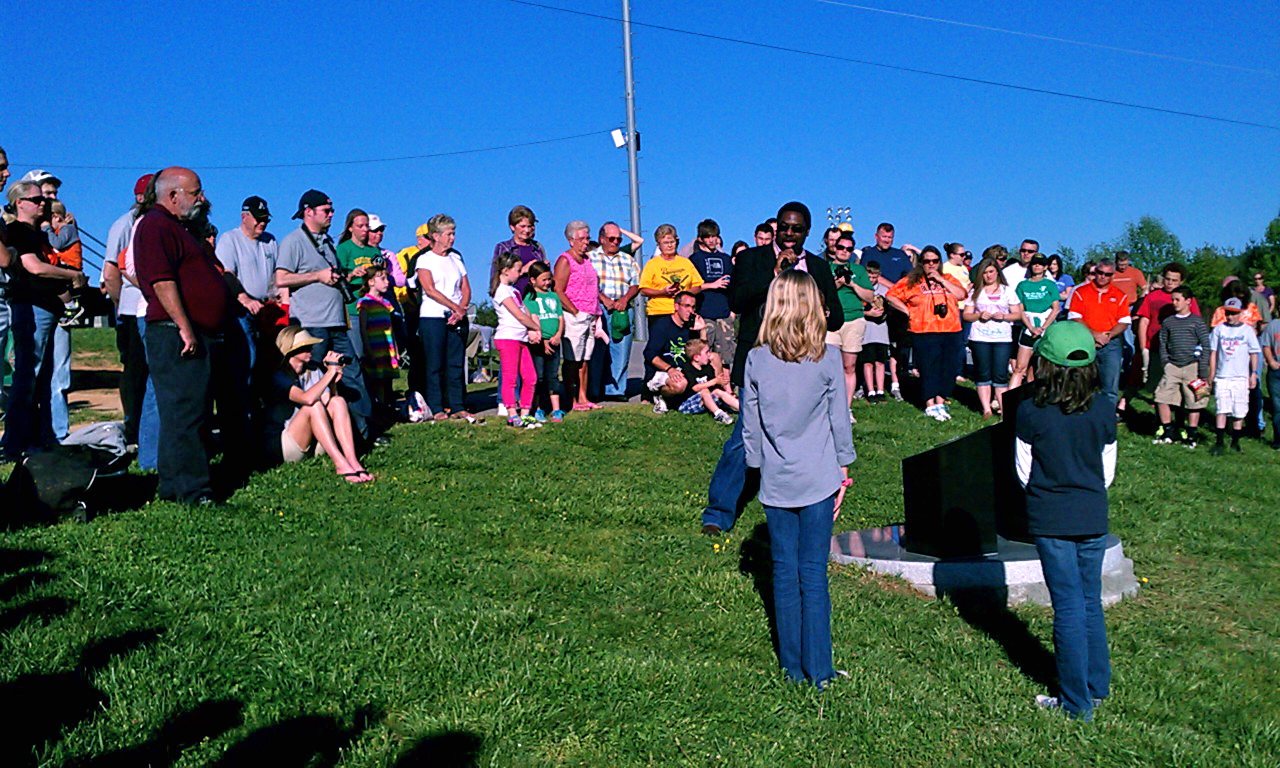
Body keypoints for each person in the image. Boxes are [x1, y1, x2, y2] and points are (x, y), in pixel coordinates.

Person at [742, 269, 855, 689]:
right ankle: (819, 671)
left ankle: (792, 668)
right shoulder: (826, 358)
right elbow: (838, 420)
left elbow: (749, 426)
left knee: (784, 573)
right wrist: (844, 467)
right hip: (819, 477)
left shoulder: (756, 359)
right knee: (813, 573)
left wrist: (757, 465)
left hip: (776, 478)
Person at [702, 201, 842, 535]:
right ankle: (718, 513)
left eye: (796, 229)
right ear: (775, 227)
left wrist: (817, 301)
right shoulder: (753, 259)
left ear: (807, 232)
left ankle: (806, 502)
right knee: (743, 437)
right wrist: (775, 275)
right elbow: (735, 302)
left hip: (806, 365)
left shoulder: (819, 267)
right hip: (761, 360)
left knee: (806, 437)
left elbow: (836, 317)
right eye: (784, 227)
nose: (789, 234)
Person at [1016, 320, 1116, 722]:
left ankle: (1076, 704)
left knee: (1069, 607)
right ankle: (1096, 683)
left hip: (1050, 518)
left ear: (1045, 365)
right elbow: (1107, 470)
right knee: (1090, 601)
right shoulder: (1105, 408)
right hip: (1092, 513)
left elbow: (1024, 471)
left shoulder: (1029, 410)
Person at [132, 167, 243, 503]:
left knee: (185, 413)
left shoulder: (178, 228)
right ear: (172, 195)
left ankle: (173, 486)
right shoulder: (155, 226)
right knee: (186, 415)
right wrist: (184, 326)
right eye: (196, 193)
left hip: (195, 331)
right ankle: (194, 491)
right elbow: (161, 281)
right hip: (174, 332)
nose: (202, 199)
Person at [0, 181, 88, 459]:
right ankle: (15, 442)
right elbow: (33, 267)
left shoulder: (35, 232)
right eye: (36, 199)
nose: (43, 203)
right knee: (29, 374)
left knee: (46, 376)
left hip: (44, 306)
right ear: (19, 203)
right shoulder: (18, 231)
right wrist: (71, 275)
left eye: (44, 200)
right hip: (32, 305)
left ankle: (43, 437)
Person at [275, 189, 373, 436]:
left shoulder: (329, 242)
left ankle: (363, 432)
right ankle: (318, 432)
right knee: (316, 377)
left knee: (352, 373)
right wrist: (317, 276)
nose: (332, 215)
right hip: (311, 323)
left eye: (332, 210)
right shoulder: (293, 241)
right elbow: (281, 278)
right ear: (308, 212)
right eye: (326, 211)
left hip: (337, 322)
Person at [265, 326, 371, 483]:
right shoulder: (279, 376)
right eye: (305, 347)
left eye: (311, 346)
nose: (311, 349)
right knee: (313, 406)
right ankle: (340, 464)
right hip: (285, 444)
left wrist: (333, 383)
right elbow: (307, 399)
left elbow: (330, 404)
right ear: (291, 350)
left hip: (314, 441)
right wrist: (329, 374)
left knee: (338, 401)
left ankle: (352, 460)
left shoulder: (314, 371)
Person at [885, 246, 968, 421]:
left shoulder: (949, 278)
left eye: (934, 261)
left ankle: (941, 401)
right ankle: (930, 403)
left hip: (950, 329)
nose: (931, 265)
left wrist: (941, 280)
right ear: (921, 263)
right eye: (927, 261)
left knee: (947, 368)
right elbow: (891, 295)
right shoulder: (912, 281)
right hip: (924, 329)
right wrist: (907, 310)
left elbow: (961, 295)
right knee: (929, 368)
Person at [414, 213, 477, 422]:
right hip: (433, 317)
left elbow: (465, 287)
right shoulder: (424, 259)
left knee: (456, 363)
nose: (452, 238)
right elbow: (429, 289)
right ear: (436, 235)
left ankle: (458, 404)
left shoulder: (456, 259)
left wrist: (461, 309)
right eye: (449, 234)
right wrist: (453, 307)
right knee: (434, 364)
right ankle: (437, 406)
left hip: (456, 317)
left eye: (453, 233)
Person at [215, 195, 281, 378]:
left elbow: (277, 273)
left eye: (266, 219)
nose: (263, 223)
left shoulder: (271, 241)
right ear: (245, 217)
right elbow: (226, 274)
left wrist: (278, 298)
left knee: (269, 360)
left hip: (267, 309)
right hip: (241, 311)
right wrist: (244, 298)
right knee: (247, 359)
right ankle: (242, 403)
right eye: (259, 219)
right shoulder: (230, 239)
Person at [1067, 258, 1130, 410]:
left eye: (1107, 274)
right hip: (1085, 341)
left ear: (1112, 275)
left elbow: (1124, 321)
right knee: (1082, 382)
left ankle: (1106, 418)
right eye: (1099, 273)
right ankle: (1081, 414)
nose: (1102, 276)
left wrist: (1108, 335)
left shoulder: (1120, 295)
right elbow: (1074, 316)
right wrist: (1094, 334)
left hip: (1111, 343)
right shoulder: (1081, 292)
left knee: (1110, 385)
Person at [962, 256, 1022, 419]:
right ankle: (986, 409)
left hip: (1002, 338)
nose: (988, 276)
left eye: (991, 272)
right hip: (980, 337)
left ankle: (1004, 409)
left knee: (1000, 374)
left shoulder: (1007, 291)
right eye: (985, 273)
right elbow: (966, 315)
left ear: (997, 272)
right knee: (982, 373)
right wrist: (979, 315)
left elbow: (1017, 314)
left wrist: (1003, 316)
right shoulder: (976, 292)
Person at [588, 221, 642, 399]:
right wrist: (603, 299)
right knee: (597, 351)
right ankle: (595, 389)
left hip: (622, 308)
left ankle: (616, 390)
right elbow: (587, 284)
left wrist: (625, 300)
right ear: (602, 239)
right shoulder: (590, 258)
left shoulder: (627, 259)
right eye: (611, 239)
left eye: (618, 239)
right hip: (598, 308)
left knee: (621, 349)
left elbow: (635, 284)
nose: (615, 242)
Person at [825, 230, 875, 418]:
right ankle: (829, 405)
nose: (844, 251)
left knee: (849, 366)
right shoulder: (825, 267)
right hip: (831, 320)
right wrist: (837, 284)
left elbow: (870, 296)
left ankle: (846, 408)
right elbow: (820, 293)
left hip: (854, 319)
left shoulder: (859, 271)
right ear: (834, 247)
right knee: (830, 366)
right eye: (841, 247)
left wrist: (851, 284)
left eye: (848, 249)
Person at [1152, 286, 1210, 447]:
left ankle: (1191, 434)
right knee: (1161, 396)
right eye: (1173, 299)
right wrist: (1166, 362)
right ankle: (1167, 430)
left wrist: (1203, 370)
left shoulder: (1197, 322)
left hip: (1192, 365)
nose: (1174, 303)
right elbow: (1163, 343)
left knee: (1194, 400)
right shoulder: (1169, 322)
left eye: (1178, 299)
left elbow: (1205, 345)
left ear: (1188, 301)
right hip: (1172, 366)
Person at [491, 252, 543, 428]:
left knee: (531, 377)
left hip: (521, 339)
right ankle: (512, 413)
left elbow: (526, 312)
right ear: (506, 271)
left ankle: (526, 412)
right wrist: (534, 328)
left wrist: (534, 329)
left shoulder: (514, 291)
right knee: (510, 377)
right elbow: (519, 315)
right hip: (508, 339)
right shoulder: (501, 291)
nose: (520, 273)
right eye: (518, 270)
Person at [554, 220, 601, 412]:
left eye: (587, 238)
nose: (585, 242)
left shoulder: (588, 260)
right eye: (581, 239)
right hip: (574, 315)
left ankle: (583, 396)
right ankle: (571, 399)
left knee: (585, 359)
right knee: (572, 360)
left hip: (590, 314)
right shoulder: (565, 260)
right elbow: (558, 288)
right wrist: (573, 311)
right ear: (571, 240)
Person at [1208, 298, 1261, 455]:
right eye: (1228, 314)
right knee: (1221, 408)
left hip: (1240, 376)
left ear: (1240, 313)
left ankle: (1235, 441)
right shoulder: (1219, 330)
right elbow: (1213, 352)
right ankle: (1219, 441)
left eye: (1234, 314)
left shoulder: (1246, 331)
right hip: (1223, 375)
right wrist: (1211, 373)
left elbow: (1254, 353)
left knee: (1239, 409)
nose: (1230, 317)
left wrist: (1253, 374)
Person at [642, 290, 705, 413]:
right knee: (679, 384)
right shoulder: (663, 325)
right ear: (676, 306)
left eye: (693, 307)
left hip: (685, 370)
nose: (690, 311)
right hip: (663, 371)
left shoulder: (691, 327)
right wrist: (669, 369)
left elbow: (703, 353)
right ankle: (660, 395)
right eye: (686, 306)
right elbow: (650, 354)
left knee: (714, 358)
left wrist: (702, 330)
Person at [1008, 254, 1061, 390]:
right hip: (1028, 329)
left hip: (1047, 329)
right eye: (1034, 263)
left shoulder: (1050, 284)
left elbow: (1055, 309)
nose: (1037, 266)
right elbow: (1020, 309)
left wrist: (1043, 328)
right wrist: (1031, 328)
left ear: (1045, 267)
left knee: (1046, 368)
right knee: (1020, 367)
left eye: (1040, 264)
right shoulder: (1023, 285)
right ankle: (1009, 405)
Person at [639, 224, 703, 329]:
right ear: (659, 245)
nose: (669, 246)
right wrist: (663, 292)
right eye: (665, 243)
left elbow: (698, 286)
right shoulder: (652, 264)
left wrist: (683, 294)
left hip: (683, 313)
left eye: (672, 242)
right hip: (659, 312)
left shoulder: (686, 263)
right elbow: (643, 290)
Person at [688, 219, 735, 365]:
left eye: (714, 236)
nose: (712, 240)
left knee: (726, 354)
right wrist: (711, 285)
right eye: (708, 237)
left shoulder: (726, 259)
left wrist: (732, 311)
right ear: (700, 239)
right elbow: (690, 287)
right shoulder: (694, 260)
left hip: (724, 313)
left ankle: (726, 384)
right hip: (704, 313)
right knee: (703, 352)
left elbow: (733, 285)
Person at [356, 265, 401, 417]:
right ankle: (377, 409)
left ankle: (387, 407)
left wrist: (395, 348)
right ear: (371, 282)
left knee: (387, 380)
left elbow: (390, 328)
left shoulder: (387, 304)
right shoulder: (364, 303)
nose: (387, 282)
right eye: (382, 278)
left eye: (387, 278)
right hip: (374, 348)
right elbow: (363, 328)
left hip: (387, 348)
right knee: (375, 381)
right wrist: (367, 348)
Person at [523, 262, 565, 422]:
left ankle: (556, 409)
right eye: (544, 280)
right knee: (538, 376)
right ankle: (539, 407)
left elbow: (560, 317)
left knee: (553, 375)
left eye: (549, 279)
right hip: (538, 343)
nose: (547, 283)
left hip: (554, 342)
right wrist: (543, 341)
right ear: (533, 280)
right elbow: (532, 319)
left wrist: (558, 334)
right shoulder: (530, 297)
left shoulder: (553, 296)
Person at [672, 338, 736, 424]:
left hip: (705, 401)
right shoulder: (687, 369)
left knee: (718, 391)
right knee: (704, 391)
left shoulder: (708, 367)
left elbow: (713, 386)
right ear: (696, 357)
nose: (709, 355)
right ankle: (719, 414)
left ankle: (743, 409)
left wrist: (721, 382)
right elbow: (695, 388)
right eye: (706, 352)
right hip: (687, 404)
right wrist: (715, 381)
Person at [858, 260, 892, 403]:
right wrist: (869, 314)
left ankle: (880, 390)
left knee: (880, 362)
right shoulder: (860, 290)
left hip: (881, 333)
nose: (871, 280)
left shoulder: (884, 290)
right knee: (867, 362)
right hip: (866, 332)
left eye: (874, 277)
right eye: (869, 277)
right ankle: (870, 390)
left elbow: (891, 306)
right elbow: (856, 309)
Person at [1260, 308, 1280, 449]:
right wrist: (1271, 361)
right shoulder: (1273, 325)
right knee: (1278, 407)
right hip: (1276, 371)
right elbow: (1266, 345)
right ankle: (1278, 440)